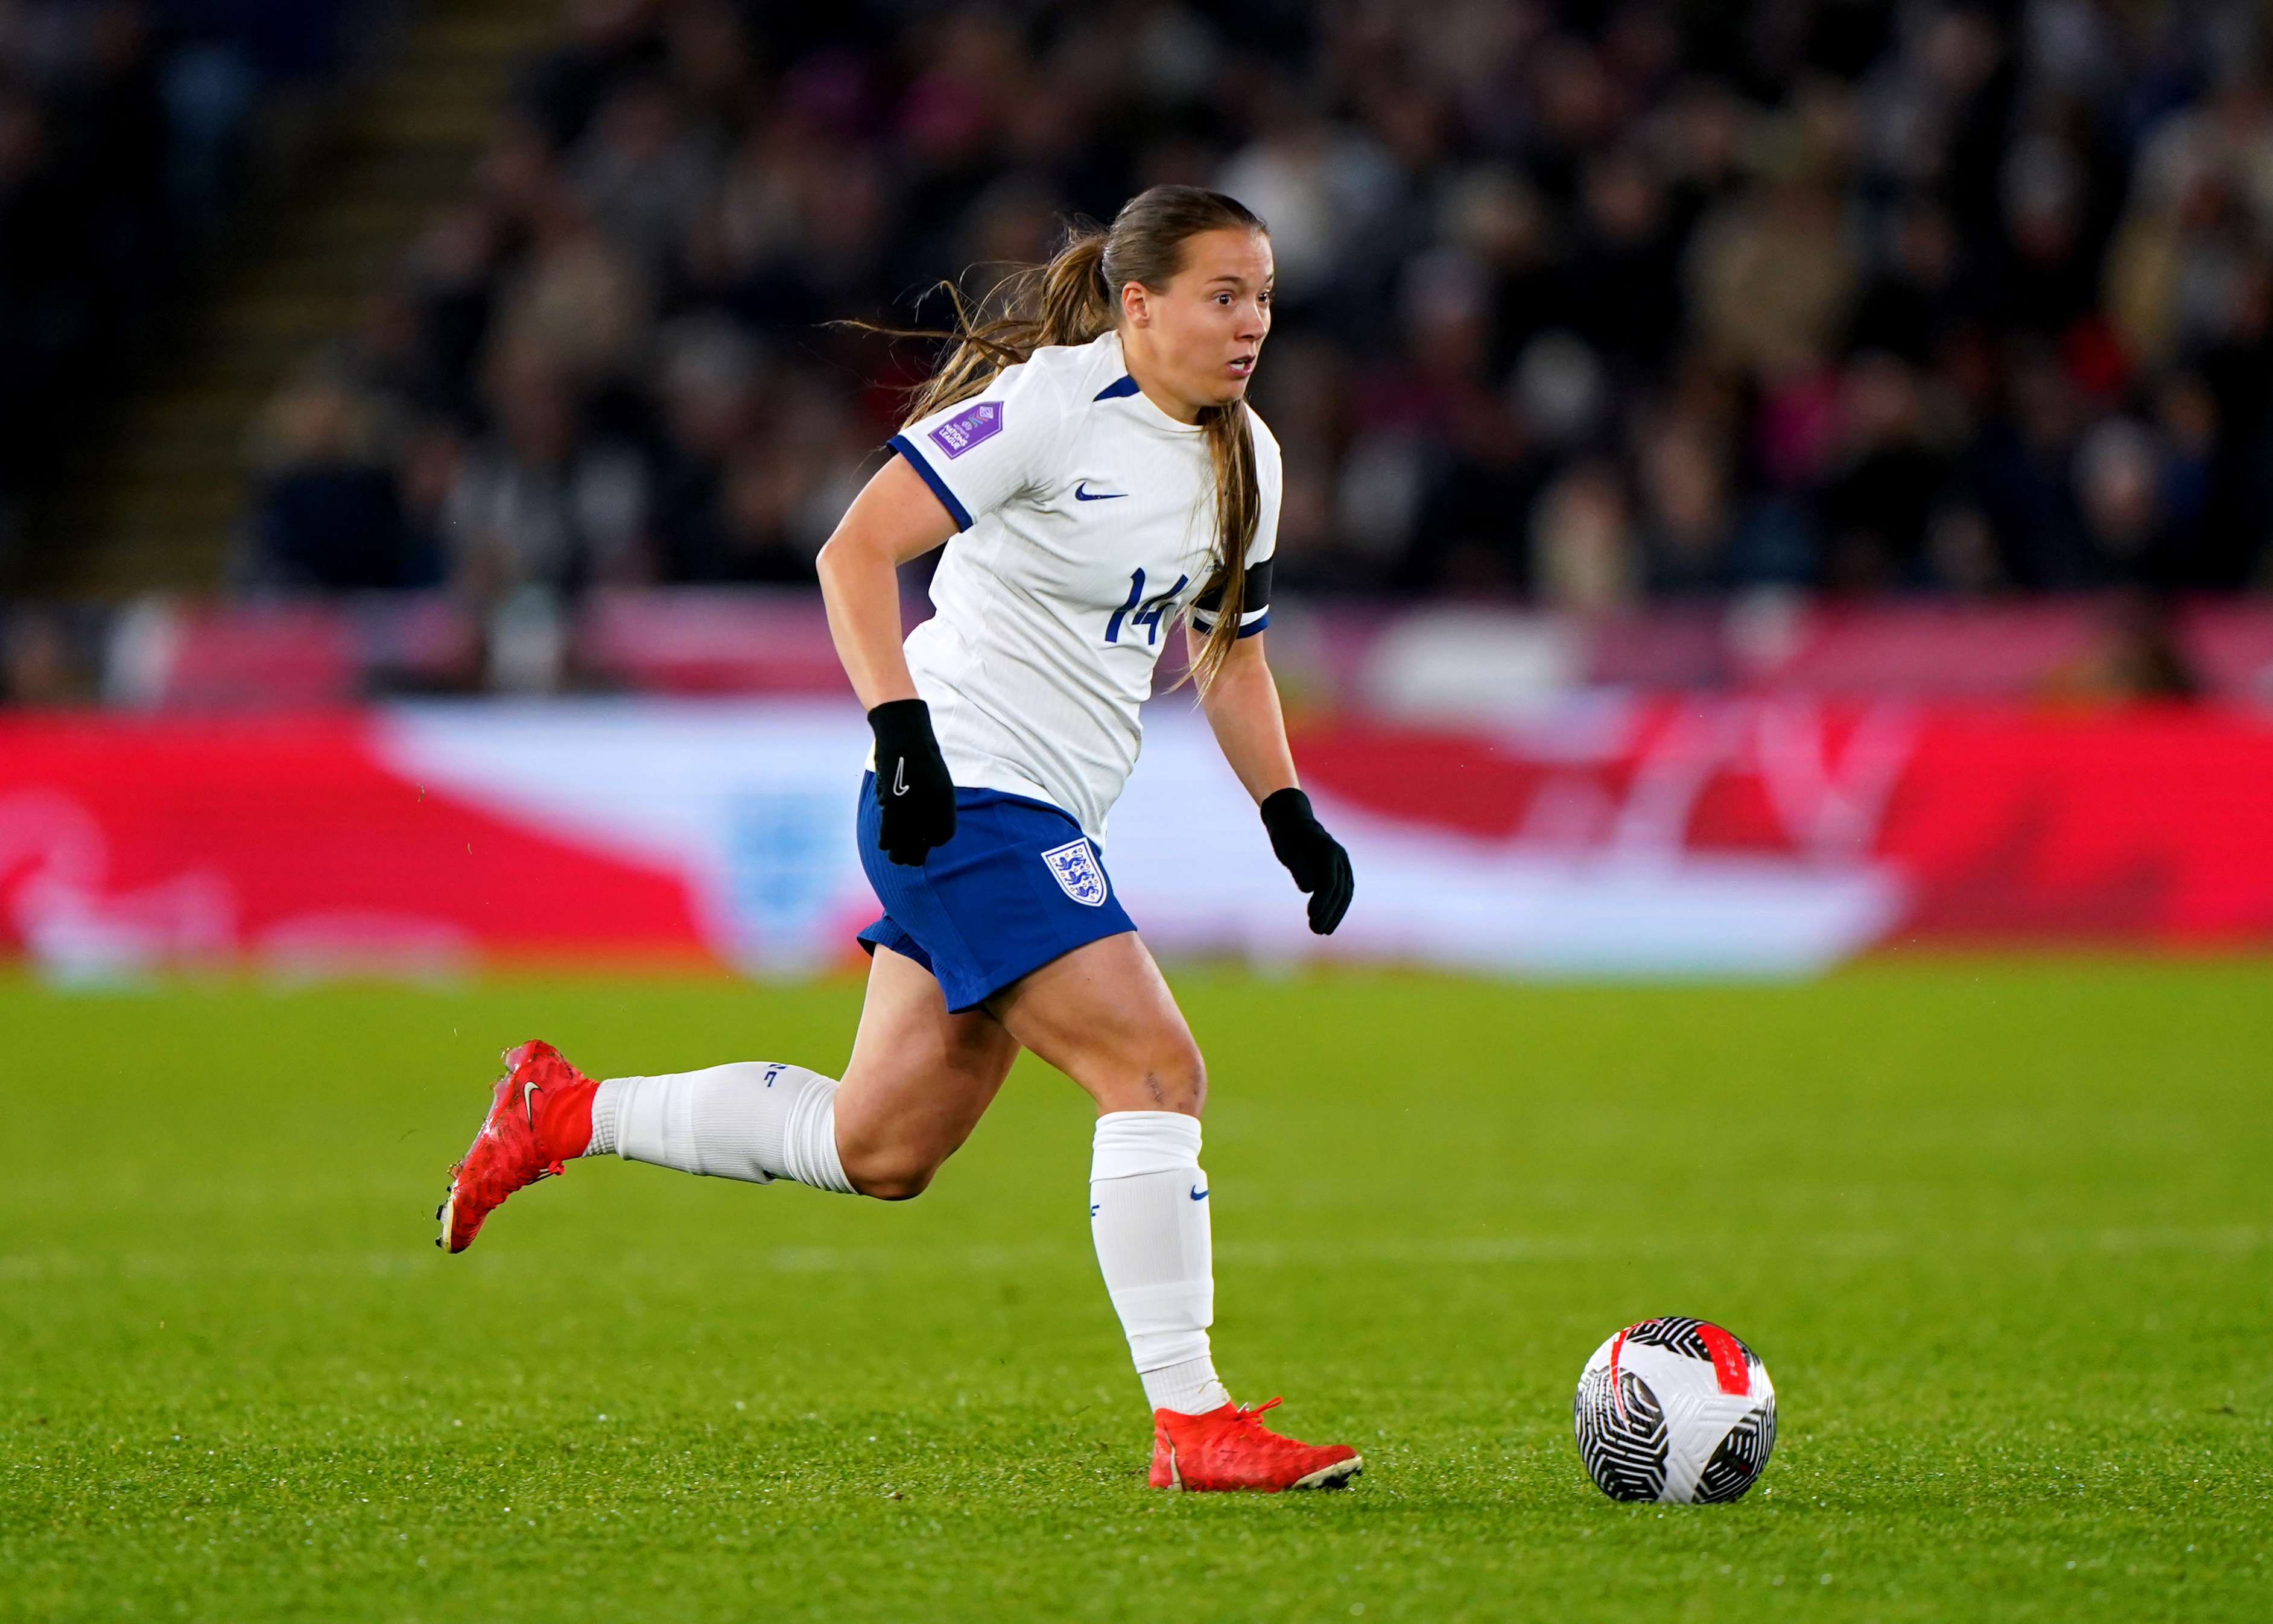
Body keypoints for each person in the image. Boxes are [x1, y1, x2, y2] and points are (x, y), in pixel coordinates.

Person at [434, 186, 1363, 1492]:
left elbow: (1230, 653)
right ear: (1139, 302)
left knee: (881, 1148)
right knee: (1156, 1074)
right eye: (1224, 293)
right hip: (968, 793)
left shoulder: (1245, 457)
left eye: (1263, 293)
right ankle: (1192, 1418)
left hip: (1037, 806)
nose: (1252, 319)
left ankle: (564, 1109)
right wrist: (901, 730)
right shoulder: (1047, 405)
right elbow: (853, 550)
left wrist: (1289, 812)